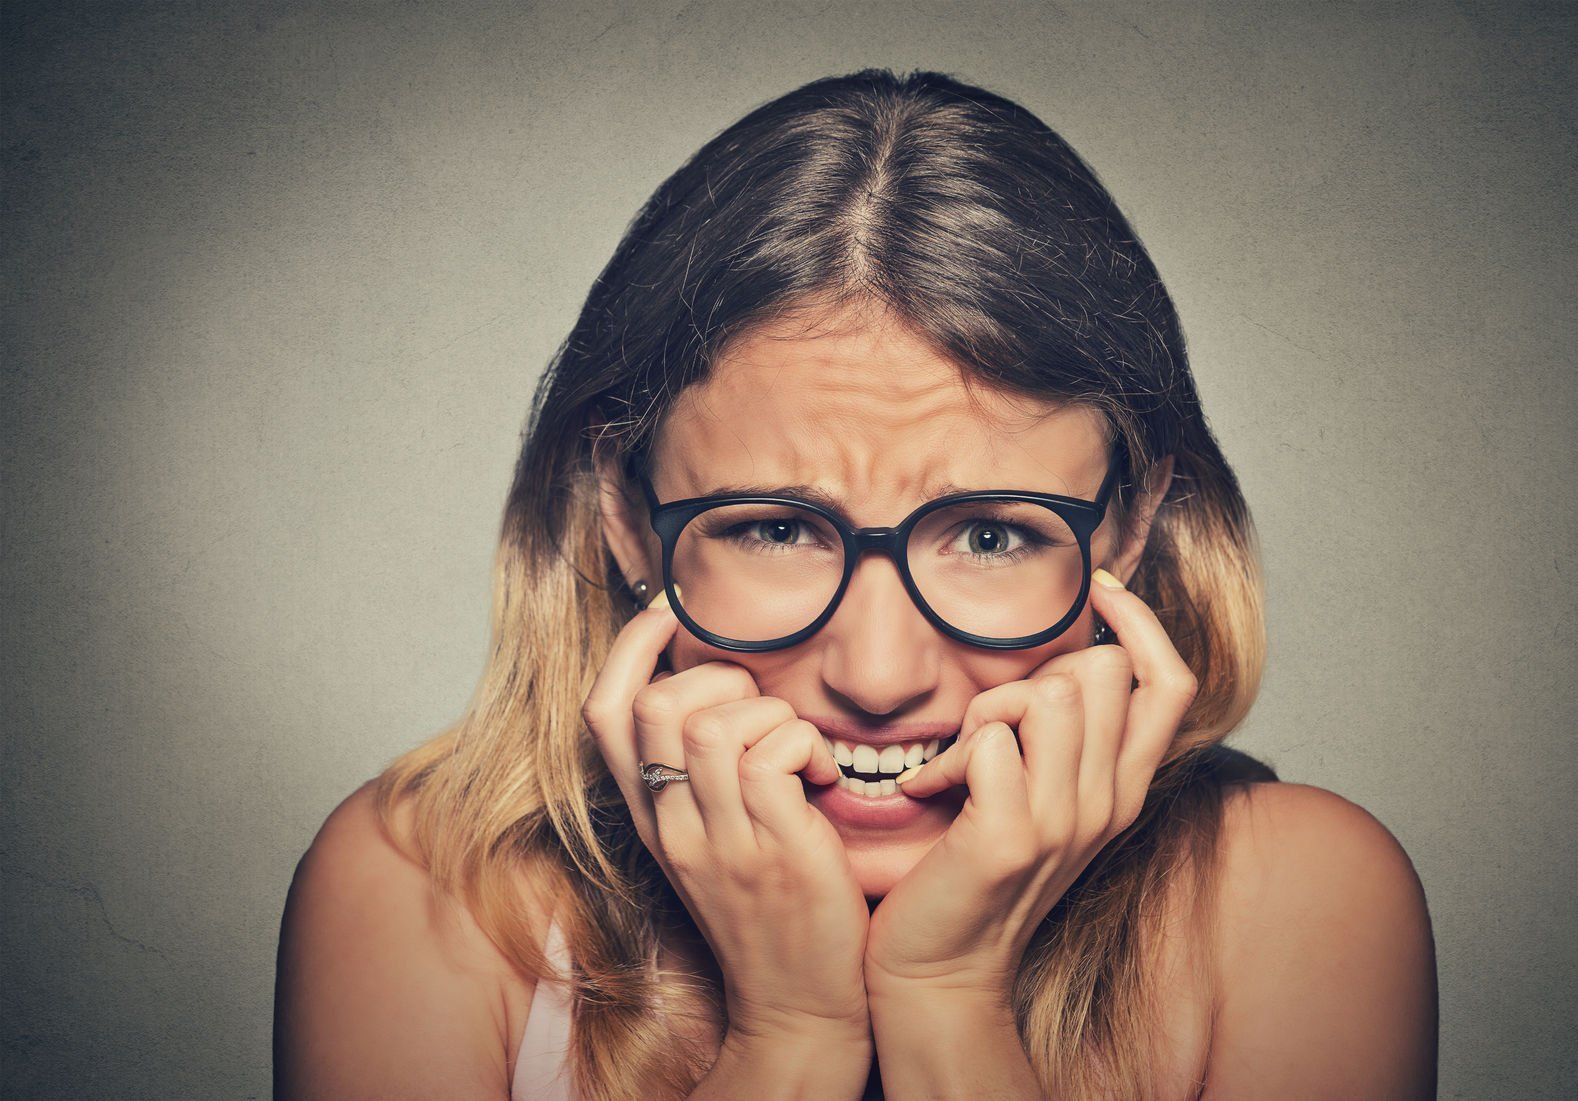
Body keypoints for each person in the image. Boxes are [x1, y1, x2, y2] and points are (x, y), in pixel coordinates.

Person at [273, 68, 1438, 1100]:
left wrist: (946, 997)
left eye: (991, 536)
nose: (878, 677)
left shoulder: (1298, 901)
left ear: (1127, 528)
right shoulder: (421, 889)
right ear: (624, 517)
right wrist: (791, 1037)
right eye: (777, 529)